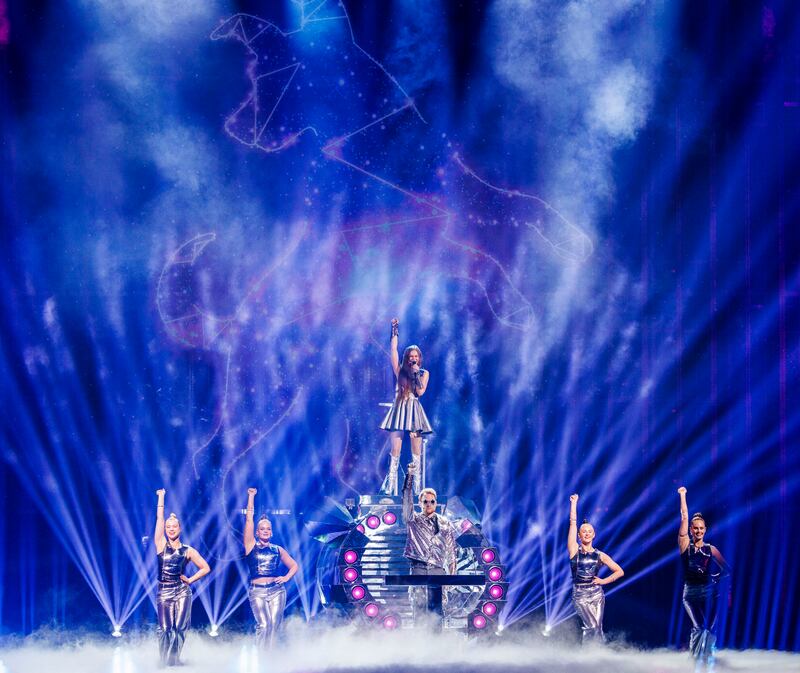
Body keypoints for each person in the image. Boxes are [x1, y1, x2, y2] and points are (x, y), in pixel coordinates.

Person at [153, 488, 211, 666]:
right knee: (164, 629)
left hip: (182, 591)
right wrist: (161, 498)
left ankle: (174, 660)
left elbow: (206, 567)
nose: (171, 529)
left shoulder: (188, 550)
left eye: (174, 526)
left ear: (180, 528)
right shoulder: (161, 544)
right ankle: (164, 662)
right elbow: (159, 519)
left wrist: (191, 580)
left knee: (179, 628)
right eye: (168, 527)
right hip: (164, 591)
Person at [677, 486, 730, 666]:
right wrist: (683, 496)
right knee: (699, 627)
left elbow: (727, 570)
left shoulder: (711, 549)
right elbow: (684, 516)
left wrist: (716, 577)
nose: (698, 531)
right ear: (691, 530)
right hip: (690, 593)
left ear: (705, 530)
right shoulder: (685, 545)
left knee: (711, 629)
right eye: (695, 528)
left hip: (710, 592)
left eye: (701, 528)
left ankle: (708, 658)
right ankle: (694, 661)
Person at [380, 317, 433, 495]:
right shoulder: (400, 371)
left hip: (414, 410)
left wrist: (417, 375)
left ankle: (417, 489)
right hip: (400, 409)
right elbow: (393, 349)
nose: (413, 359)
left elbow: (420, 392)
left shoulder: (424, 373)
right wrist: (394, 328)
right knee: (395, 450)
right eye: (410, 356)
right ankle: (390, 487)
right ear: (407, 358)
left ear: (419, 359)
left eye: (416, 356)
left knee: (416, 452)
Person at [244, 487, 299, 648]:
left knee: (275, 626)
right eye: (262, 529)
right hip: (257, 591)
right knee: (264, 625)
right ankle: (261, 658)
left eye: (268, 529)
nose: (265, 531)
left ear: (272, 532)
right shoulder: (250, 546)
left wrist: (286, 578)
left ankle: (271, 658)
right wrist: (251, 497)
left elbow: (294, 565)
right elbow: (248, 520)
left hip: (277, 591)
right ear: (256, 532)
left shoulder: (278, 549)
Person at [567, 494, 624, 643]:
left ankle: (598, 655)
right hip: (580, 594)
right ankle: (586, 656)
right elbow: (573, 524)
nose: (586, 533)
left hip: (597, 594)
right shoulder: (574, 550)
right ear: (579, 536)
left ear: (594, 535)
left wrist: (604, 581)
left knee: (597, 628)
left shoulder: (600, 555)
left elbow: (620, 571)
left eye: (589, 531)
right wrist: (574, 503)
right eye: (583, 531)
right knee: (591, 626)